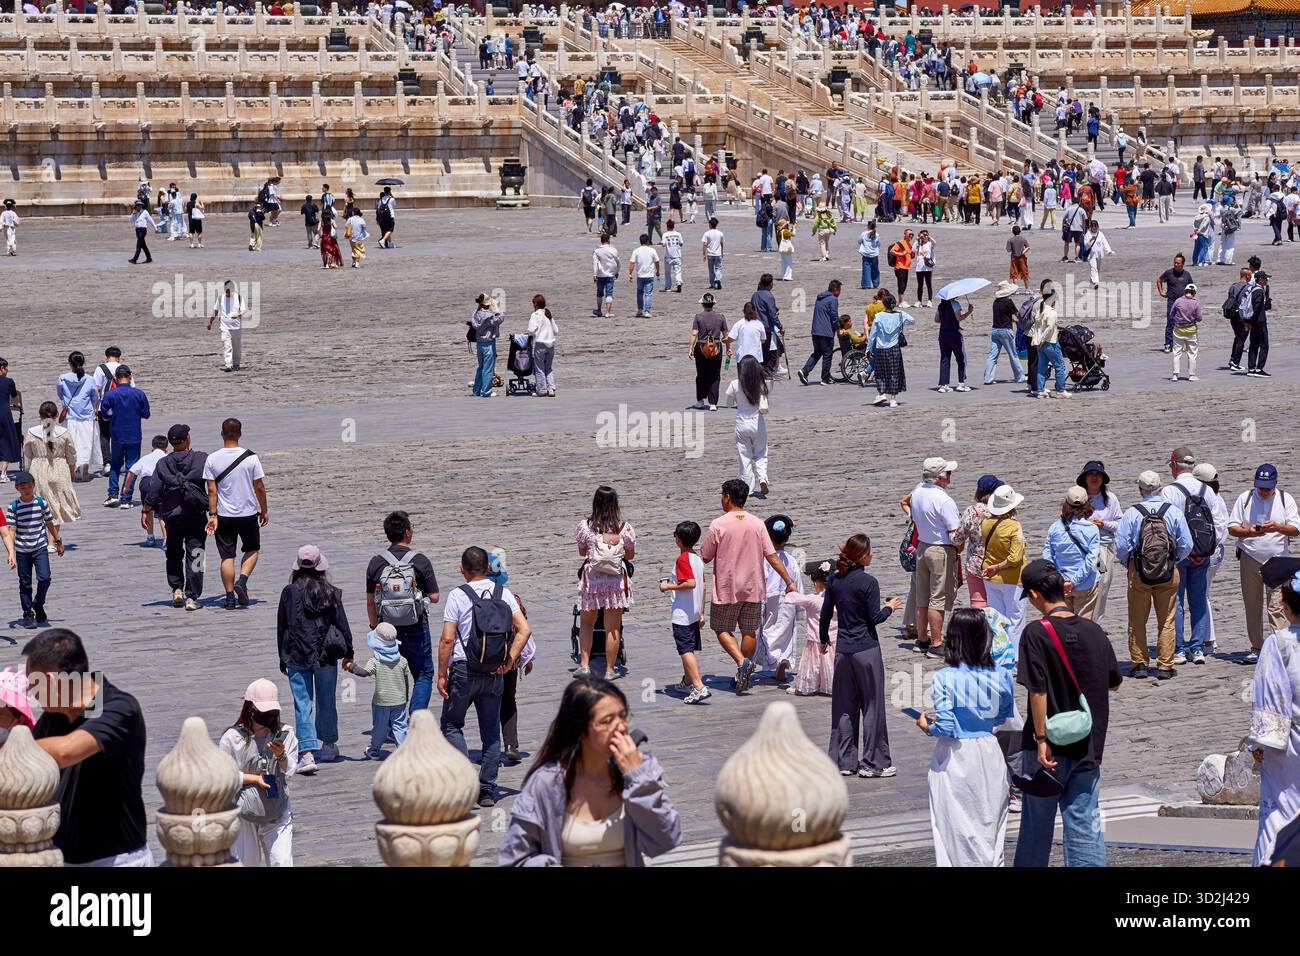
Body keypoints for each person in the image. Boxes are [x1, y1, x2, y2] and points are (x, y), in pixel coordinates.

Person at [497, 675, 681, 866]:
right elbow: (513, 858)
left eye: (623, 716)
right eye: (607, 721)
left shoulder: (640, 773)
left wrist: (639, 779)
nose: (621, 727)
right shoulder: (546, 783)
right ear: (581, 731)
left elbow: (667, 839)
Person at [1013, 561, 1122, 867]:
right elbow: (1112, 684)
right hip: (1088, 744)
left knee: (1036, 828)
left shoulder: (1036, 633)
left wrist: (1042, 738)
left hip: (1047, 748)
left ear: (1035, 594)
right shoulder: (1095, 631)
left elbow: (1037, 691)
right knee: (1085, 825)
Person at [26, 629, 150, 867]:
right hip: (63, 858)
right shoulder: (55, 716)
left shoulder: (118, 707)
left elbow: (66, 751)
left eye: (34, 684)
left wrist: (13, 746)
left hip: (116, 860)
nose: (32, 693)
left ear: (51, 681)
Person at [916, 607, 1015, 866]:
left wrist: (927, 725)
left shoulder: (945, 677)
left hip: (957, 756)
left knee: (955, 829)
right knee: (991, 824)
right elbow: (1002, 715)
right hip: (990, 752)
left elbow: (946, 726)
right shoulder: (1002, 675)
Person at [439, 546, 532, 807]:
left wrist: (441, 674)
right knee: (491, 733)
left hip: (463, 671)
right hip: (494, 672)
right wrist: (510, 660)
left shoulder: (457, 595)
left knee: (450, 725)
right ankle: (488, 789)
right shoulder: (504, 593)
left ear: (462, 569)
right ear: (488, 568)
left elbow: (447, 639)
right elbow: (524, 629)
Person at [701, 478, 798, 694]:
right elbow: (772, 556)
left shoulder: (718, 524)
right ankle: (742, 672)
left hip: (728, 588)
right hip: (754, 588)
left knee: (721, 628)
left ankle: (741, 663)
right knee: (748, 631)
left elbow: (706, 556)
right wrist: (789, 581)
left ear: (727, 497)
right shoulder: (757, 523)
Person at [822, 533, 902, 777]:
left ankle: (844, 762)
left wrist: (824, 638)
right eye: (870, 552)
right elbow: (873, 618)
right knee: (872, 706)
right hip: (866, 650)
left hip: (843, 650)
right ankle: (874, 763)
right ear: (862, 556)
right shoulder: (869, 582)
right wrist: (890, 608)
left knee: (844, 707)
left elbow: (826, 614)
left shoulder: (835, 581)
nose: (872, 555)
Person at [277, 544, 352, 775]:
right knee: (327, 699)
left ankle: (307, 752)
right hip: (326, 654)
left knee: (303, 703)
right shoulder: (330, 591)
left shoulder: (289, 592)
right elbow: (342, 623)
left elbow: (282, 625)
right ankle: (328, 745)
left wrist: (282, 655)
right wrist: (349, 650)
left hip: (296, 653)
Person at [1116, 470, 1193, 679]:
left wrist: (1129, 565)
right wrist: (1174, 560)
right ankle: (1165, 666)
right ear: (1161, 487)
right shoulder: (1173, 511)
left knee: (1137, 619)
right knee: (1167, 619)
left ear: (1140, 489)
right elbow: (1187, 544)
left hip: (1138, 572)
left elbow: (1122, 546)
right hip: (1168, 572)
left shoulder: (1132, 513)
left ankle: (1139, 664)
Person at [1248, 560, 1300, 865]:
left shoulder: (1279, 644)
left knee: (1280, 812)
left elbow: (1271, 698)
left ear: (1287, 606)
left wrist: (1260, 745)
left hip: (1290, 747)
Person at [366, 510, 439, 714]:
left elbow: (370, 601)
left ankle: (392, 724)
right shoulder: (421, 561)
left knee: (391, 676)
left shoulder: (376, 562)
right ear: (407, 532)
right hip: (416, 626)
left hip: (386, 630)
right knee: (423, 673)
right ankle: (415, 719)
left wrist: (374, 627)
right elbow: (434, 597)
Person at [219, 678, 298, 866]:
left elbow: (291, 770)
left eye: (271, 712)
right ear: (250, 709)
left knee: (282, 861)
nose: (268, 716)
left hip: (277, 807)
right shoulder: (232, 738)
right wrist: (254, 779)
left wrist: (282, 756)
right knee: (246, 862)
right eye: (263, 711)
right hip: (243, 811)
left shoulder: (285, 733)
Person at [1229, 464, 1300, 664]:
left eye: (1268, 488)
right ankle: (1257, 647)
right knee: (1252, 606)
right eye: (1261, 487)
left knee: (1277, 606)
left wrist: (1277, 527)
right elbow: (1232, 528)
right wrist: (1249, 532)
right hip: (1250, 558)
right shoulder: (1245, 499)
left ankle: (1281, 649)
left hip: (1278, 561)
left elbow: (1296, 529)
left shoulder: (1286, 499)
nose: (1264, 491)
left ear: (1275, 484)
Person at [203, 417, 268, 611]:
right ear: (240, 434)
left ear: (221, 433)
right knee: (253, 548)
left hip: (224, 515)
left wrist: (212, 515)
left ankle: (229, 597)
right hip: (247, 513)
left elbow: (212, 491)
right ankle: (243, 580)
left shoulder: (212, 459)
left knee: (227, 556)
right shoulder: (251, 457)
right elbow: (259, 486)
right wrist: (264, 509)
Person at [142, 424, 208, 611]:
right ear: (187, 439)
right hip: (195, 514)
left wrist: (145, 511)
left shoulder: (163, 463)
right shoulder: (201, 459)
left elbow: (153, 491)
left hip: (172, 515)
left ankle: (177, 588)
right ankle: (192, 596)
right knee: (196, 553)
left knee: (173, 552)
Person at [910, 457, 962, 654]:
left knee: (921, 597)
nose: (950, 476)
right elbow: (955, 533)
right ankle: (937, 643)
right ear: (940, 477)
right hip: (941, 550)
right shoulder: (944, 500)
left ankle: (922, 639)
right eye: (948, 473)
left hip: (922, 547)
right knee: (937, 598)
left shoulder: (917, 491)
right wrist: (961, 545)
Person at [660, 520, 709, 704]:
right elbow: (703, 586)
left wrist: (667, 586)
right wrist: (702, 612)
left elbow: (690, 583)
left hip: (683, 612)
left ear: (679, 539)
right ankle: (687, 681)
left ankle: (698, 686)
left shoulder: (682, 559)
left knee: (685, 650)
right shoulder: (697, 559)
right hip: (695, 611)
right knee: (689, 648)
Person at [346, 623, 412, 759]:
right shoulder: (402, 660)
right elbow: (406, 680)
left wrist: (351, 666)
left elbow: (364, 673)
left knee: (379, 728)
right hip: (399, 700)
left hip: (381, 701)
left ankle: (374, 750)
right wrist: (405, 697)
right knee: (400, 727)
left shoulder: (375, 661)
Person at [7, 471, 63, 628]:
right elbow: (11, 530)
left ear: (34, 486)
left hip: (39, 548)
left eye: (29, 486)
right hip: (22, 550)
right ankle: (28, 615)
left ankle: (38, 603)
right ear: (17, 488)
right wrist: (11, 552)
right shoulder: (14, 506)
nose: (26, 490)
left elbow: (49, 522)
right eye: (23, 487)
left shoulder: (41, 503)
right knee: (24, 584)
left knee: (45, 578)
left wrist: (58, 540)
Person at [1043, 486, 1102, 620]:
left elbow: (1047, 556)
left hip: (1061, 586)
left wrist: (1061, 579)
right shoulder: (1092, 529)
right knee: (1085, 628)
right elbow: (1091, 560)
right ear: (1087, 505)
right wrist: (1074, 582)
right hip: (1086, 585)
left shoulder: (1055, 528)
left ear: (1066, 505)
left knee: (1063, 626)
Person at [754, 514, 801, 681]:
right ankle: (783, 662)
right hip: (788, 601)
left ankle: (771, 659)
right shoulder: (792, 560)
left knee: (768, 631)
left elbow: (762, 580)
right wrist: (799, 604)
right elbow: (797, 582)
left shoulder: (766, 560)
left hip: (770, 600)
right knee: (786, 633)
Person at [981, 483, 1028, 647]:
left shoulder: (985, 523)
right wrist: (999, 567)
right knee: (1015, 620)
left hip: (990, 578)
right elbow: (1015, 558)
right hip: (1013, 579)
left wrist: (994, 567)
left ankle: (999, 655)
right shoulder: (1014, 526)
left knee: (997, 620)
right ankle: (1014, 658)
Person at [97, 365, 150, 508]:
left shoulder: (110, 395)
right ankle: (126, 498)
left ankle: (113, 494)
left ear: (115, 378)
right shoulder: (139, 394)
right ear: (130, 376)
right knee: (131, 467)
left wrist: (113, 415)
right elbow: (146, 414)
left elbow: (104, 415)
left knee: (115, 465)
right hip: (134, 435)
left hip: (117, 436)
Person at [22, 402, 79, 526]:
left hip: (38, 470)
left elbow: (27, 454)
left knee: (42, 505)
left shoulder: (32, 432)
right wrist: (71, 472)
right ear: (57, 415)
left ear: (40, 416)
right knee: (57, 505)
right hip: (60, 469)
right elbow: (72, 456)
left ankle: (51, 540)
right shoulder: (64, 432)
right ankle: (53, 541)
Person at [724, 356, 771, 499]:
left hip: (742, 423)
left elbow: (728, 403)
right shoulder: (762, 383)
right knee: (761, 453)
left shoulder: (735, 384)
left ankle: (748, 488)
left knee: (744, 457)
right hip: (757, 422)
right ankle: (762, 478)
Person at [56, 352, 101, 481]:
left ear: (70, 363)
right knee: (86, 443)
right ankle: (84, 464)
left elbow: (60, 394)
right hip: (86, 416)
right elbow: (95, 397)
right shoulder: (89, 379)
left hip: (70, 415)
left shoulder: (62, 378)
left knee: (71, 443)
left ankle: (74, 467)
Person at [867, 292, 915, 408]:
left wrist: (868, 349)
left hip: (881, 348)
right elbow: (913, 321)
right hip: (894, 349)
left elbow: (873, 335)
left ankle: (881, 393)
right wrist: (902, 319)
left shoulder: (879, 316)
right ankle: (893, 399)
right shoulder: (900, 315)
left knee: (880, 372)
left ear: (884, 304)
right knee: (894, 373)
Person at [688, 292, 727, 411]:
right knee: (715, 375)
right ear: (713, 304)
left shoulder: (698, 317)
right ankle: (713, 403)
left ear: (703, 304)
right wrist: (729, 348)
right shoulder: (720, 317)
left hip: (701, 348)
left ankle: (700, 401)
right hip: (716, 347)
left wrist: (690, 348)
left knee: (701, 374)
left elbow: (694, 334)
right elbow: (726, 335)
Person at [798, 279, 841, 387]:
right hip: (826, 332)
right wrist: (838, 329)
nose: (840, 293)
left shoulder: (820, 298)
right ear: (835, 290)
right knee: (827, 354)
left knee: (817, 353)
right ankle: (825, 378)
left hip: (815, 331)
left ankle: (804, 371)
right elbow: (834, 316)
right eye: (839, 290)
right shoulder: (833, 299)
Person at [207, 280, 250, 373]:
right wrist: (210, 322)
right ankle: (228, 365)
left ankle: (236, 364)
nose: (228, 292)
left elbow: (243, 310)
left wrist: (238, 315)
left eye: (229, 290)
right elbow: (215, 311)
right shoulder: (220, 298)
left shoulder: (238, 298)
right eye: (226, 290)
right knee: (227, 346)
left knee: (236, 348)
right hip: (225, 327)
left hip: (236, 328)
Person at [985, 281, 1024, 384]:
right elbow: (1018, 314)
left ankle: (988, 378)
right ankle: (1020, 377)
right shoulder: (1008, 302)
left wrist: (1013, 320)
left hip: (995, 330)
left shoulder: (995, 302)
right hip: (1005, 331)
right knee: (1013, 354)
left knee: (993, 355)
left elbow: (1002, 316)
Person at [469, 292, 505, 398]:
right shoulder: (488, 316)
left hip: (479, 343)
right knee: (488, 369)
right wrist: (496, 307)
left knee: (481, 368)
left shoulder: (475, 313)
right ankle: (486, 391)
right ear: (487, 304)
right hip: (488, 344)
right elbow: (500, 318)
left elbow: (475, 322)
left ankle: (476, 390)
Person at [1156, 253, 1193, 354]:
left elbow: (1191, 287)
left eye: (1178, 263)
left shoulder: (1187, 274)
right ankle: (1168, 344)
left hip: (1184, 302)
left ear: (1183, 264)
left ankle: (1181, 344)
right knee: (1171, 322)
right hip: (1172, 301)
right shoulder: (1169, 273)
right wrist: (1161, 292)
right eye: (1175, 263)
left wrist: (1190, 298)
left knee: (1183, 322)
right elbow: (1159, 280)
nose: (1176, 264)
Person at [935, 295, 972, 393]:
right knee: (961, 358)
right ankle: (961, 383)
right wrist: (969, 312)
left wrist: (946, 321)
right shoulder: (955, 304)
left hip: (943, 334)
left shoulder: (940, 306)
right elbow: (959, 318)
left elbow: (936, 320)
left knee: (945, 359)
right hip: (954, 334)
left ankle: (944, 385)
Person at [528, 294, 558, 398]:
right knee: (548, 368)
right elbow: (556, 331)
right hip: (551, 345)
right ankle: (551, 389)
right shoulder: (548, 314)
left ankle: (541, 390)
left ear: (535, 304)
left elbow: (531, 330)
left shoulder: (535, 315)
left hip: (540, 345)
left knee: (539, 368)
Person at [1244, 270, 1272, 377]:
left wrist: (1247, 321)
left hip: (1252, 321)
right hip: (1259, 322)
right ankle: (1259, 369)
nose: (1266, 281)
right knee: (1264, 345)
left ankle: (1251, 368)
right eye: (1265, 279)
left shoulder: (1251, 289)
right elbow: (1257, 309)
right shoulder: (1259, 292)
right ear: (1260, 279)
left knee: (1253, 345)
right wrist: (1251, 322)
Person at [628, 233, 661, 318]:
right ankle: (647, 311)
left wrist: (630, 273)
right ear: (647, 241)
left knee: (639, 293)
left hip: (640, 275)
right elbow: (657, 261)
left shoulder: (636, 251)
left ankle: (639, 310)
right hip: (649, 275)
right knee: (648, 294)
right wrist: (657, 271)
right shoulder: (652, 250)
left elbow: (632, 263)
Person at [592, 231, 619, 318]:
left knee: (599, 293)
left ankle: (599, 310)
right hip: (610, 274)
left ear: (601, 240)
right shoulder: (613, 250)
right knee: (609, 293)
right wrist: (617, 271)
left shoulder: (597, 251)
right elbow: (618, 262)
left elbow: (595, 264)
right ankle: (608, 312)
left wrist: (594, 275)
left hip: (600, 275)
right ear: (608, 240)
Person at [888, 229, 914, 306]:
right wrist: (901, 254)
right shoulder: (900, 243)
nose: (911, 236)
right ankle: (901, 302)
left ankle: (902, 300)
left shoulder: (909, 244)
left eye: (912, 234)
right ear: (905, 235)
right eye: (909, 234)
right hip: (900, 267)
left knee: (904, 284)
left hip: (906, 267)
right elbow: (892, 251)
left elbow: (910, 255)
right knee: (901, 284)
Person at [128, 199, 155, 264]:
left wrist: (155, 228)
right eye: (138, 205)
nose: (139, 206)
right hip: (137, 230)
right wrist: (133, 213)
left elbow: (150, 220)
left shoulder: (145, 212)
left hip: (143, 230)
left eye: (140, 205)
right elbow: (130, 220)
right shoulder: (135, 213)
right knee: (143, 245)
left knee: (138, 245)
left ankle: (134, 259)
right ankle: (149, 258)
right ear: (135, 206)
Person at [701, 217, 725, 289]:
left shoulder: (707, 233)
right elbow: (722, 243)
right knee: (718, 268)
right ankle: (718, 279)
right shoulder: (720, 233)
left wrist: (704, 254)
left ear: (710, 225)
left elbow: (705, 244)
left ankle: (712, 284)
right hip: (718, 254)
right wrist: (722, 251)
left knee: (711, 270)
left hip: (710, 254)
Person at [661, 218, 683, 293]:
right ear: (674, 226)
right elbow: (681, 243)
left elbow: (663, 244)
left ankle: (668, 287)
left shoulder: (665, 234)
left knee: (667, 273)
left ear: (667, 226)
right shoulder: (678, 234)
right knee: (678, 271)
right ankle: (678, 282)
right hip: (677, 256)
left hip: (668, 256)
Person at [858, 219, 881, 289]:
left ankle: (866, 284)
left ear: (868, 226)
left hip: (866, 253)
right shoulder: (877, 235)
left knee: (866, 269)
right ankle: (876, 283)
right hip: (875, 254)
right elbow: (878, 244)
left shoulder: (863, 234)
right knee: (875, 269)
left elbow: (859, 241)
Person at [1006, 224, 1030, 289]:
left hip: (1014, 257)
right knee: (1024, 272)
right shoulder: (1023, 239)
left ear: (1012, 232)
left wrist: (1012, 249)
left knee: (1014, 273)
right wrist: (1023, 252)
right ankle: (1027, 289)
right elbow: (1028, 247)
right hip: (1022, 258)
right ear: (1020, 231)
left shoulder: (1010, 240)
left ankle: (1015, 289)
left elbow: (1008, 250)